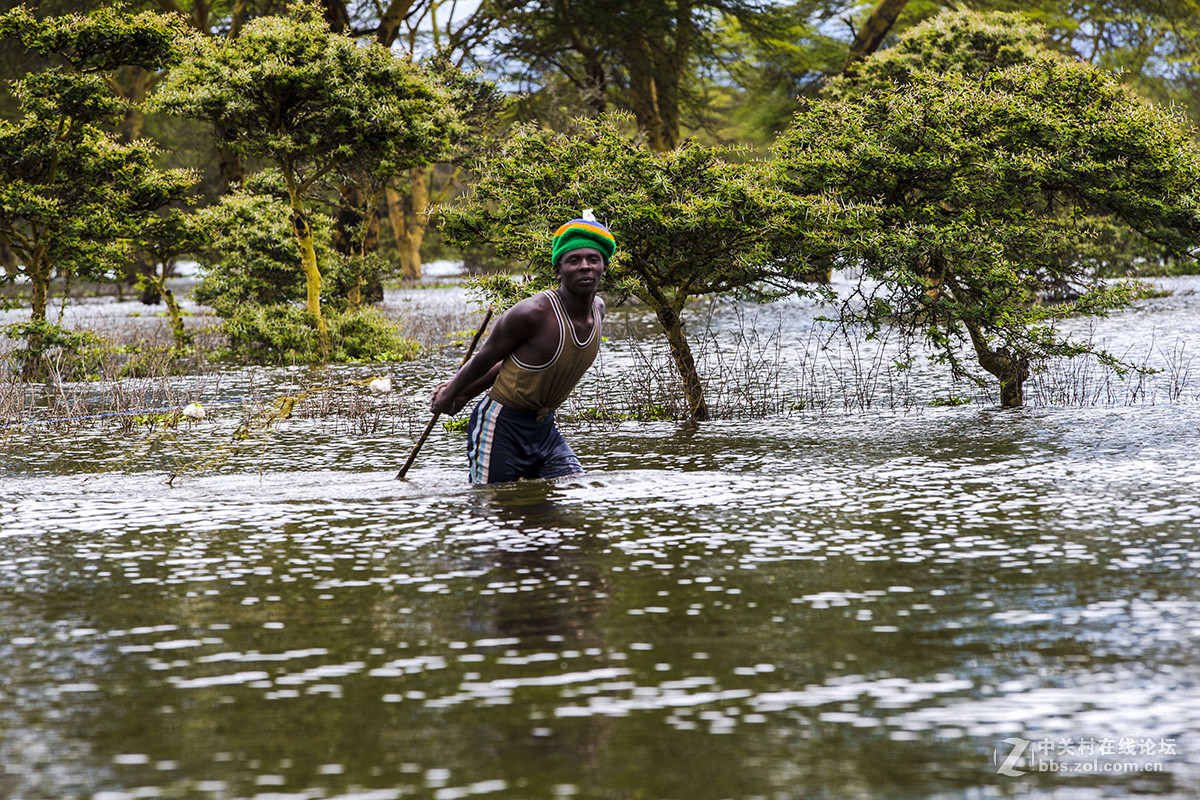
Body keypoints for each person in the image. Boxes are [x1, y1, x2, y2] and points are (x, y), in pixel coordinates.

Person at [430, 216, 614, 484]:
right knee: (493, 509)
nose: (585, 267)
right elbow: (487, 358)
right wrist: (453, 394)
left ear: (603, 268)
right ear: (558, 270)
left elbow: (515, 365)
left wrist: (461, 392)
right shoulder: (533, 313)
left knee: (574, 489)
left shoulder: (598, 310)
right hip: (501, 427)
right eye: (574, 260)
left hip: (544, 428)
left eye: (593, 260)